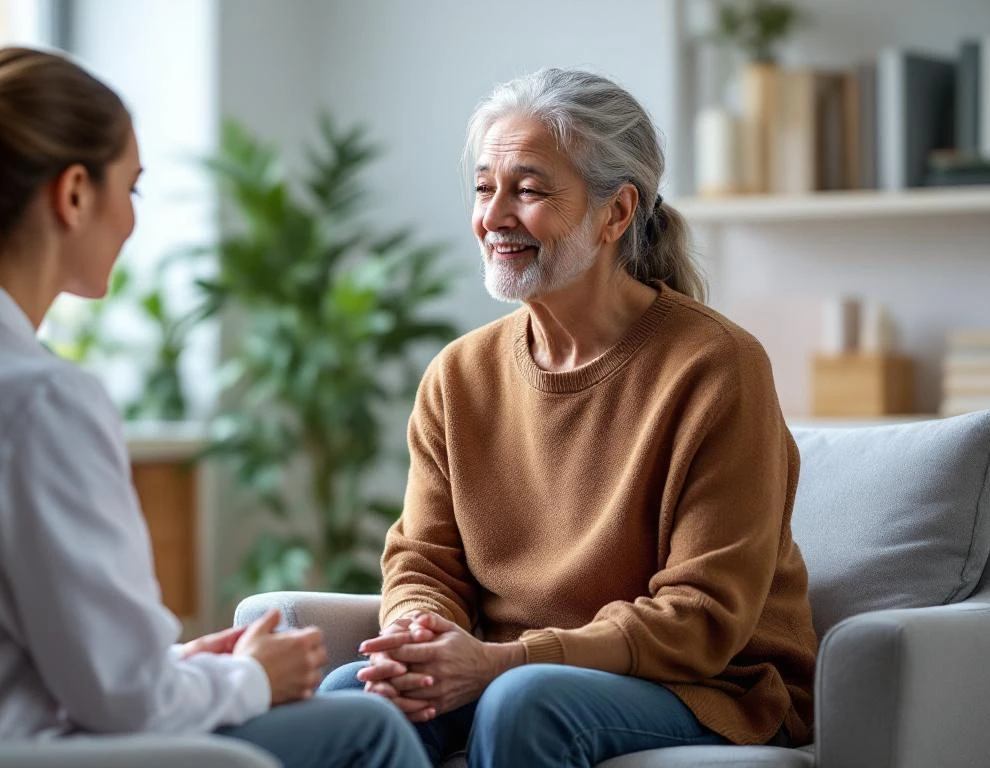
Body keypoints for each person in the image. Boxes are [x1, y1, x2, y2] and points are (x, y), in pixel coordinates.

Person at [0, 34, 430, 768]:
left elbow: (39, 656)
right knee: (366, 730)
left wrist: (190, 665)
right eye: (132, 188)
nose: (130, 218)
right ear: (73, 194)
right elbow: (124, 704)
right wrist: (253, 675)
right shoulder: (35, 399)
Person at [321, 68, 818, 767]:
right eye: (484, 187)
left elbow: (703, 618)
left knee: (524, 701)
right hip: (513, 667)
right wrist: (420, 638)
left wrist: (505, 662)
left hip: (704, 683)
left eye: (527, 190)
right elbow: (424, 559)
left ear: (616, 214)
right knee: (356, 696)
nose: (494, 216)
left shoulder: (717, 366)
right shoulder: (458, 376)